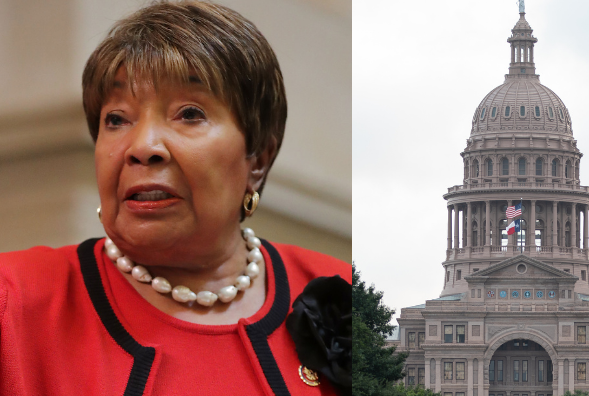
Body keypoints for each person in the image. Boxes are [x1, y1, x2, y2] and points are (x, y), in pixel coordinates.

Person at [0, 2, 351, 395]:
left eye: (188, 113)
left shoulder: (346, 292)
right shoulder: (14, 302)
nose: (143, 147)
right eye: (116, 119)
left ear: (259, 159)